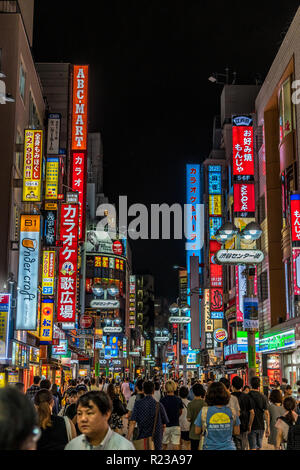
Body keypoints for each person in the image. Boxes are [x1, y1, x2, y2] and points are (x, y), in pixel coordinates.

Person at [65, 391, 134, 450]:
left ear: (106, 414)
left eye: (89, 413)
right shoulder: (72, 446)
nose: (83, 419)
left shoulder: (123, 447)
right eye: (79, 413)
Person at [194, 381, 240, 450]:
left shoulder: (204, 411)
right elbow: (237, 432)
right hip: (229, 447)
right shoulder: (232, 411)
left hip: (209, 447)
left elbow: (197, 431)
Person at [127, 381, 169, 450]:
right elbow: (164, 425)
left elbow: (132, 422)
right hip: (156, 439)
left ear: (143, 390)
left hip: (142, 439)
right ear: (153, 391)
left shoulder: (138, 404)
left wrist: (128, 438)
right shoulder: (159, 405)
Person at [231, 376, 254, 450]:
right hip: (244, 425)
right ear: (242, 386)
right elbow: (252, 412)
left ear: (232, 386)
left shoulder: (229, 397)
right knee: (243, 446)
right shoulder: (246, 397)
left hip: (231, 426)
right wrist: (250, 425)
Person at [160, 380, 184, 450]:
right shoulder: (178, 399)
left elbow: (161, 413)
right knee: (176, 445)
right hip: (176, 424)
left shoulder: (162, 400)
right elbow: (180, 412)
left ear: (165, 388)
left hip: (165, 426)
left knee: (164, 445)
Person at [248, 376, 270, 450]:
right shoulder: (263, 397)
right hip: (261, 425)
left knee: (252, 447)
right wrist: (268, 427)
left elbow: (251, 412)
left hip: (251, 425)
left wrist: (249, 425)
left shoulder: (247, 396)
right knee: (259, 447)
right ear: (259, 385)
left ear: (250, 384)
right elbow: (266, 413)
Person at [187, 383, 206, 450]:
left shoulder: (190, 404)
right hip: (204, 433)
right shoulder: (205, 404)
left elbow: (189, 419)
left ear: (193, 392)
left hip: (193, 432)